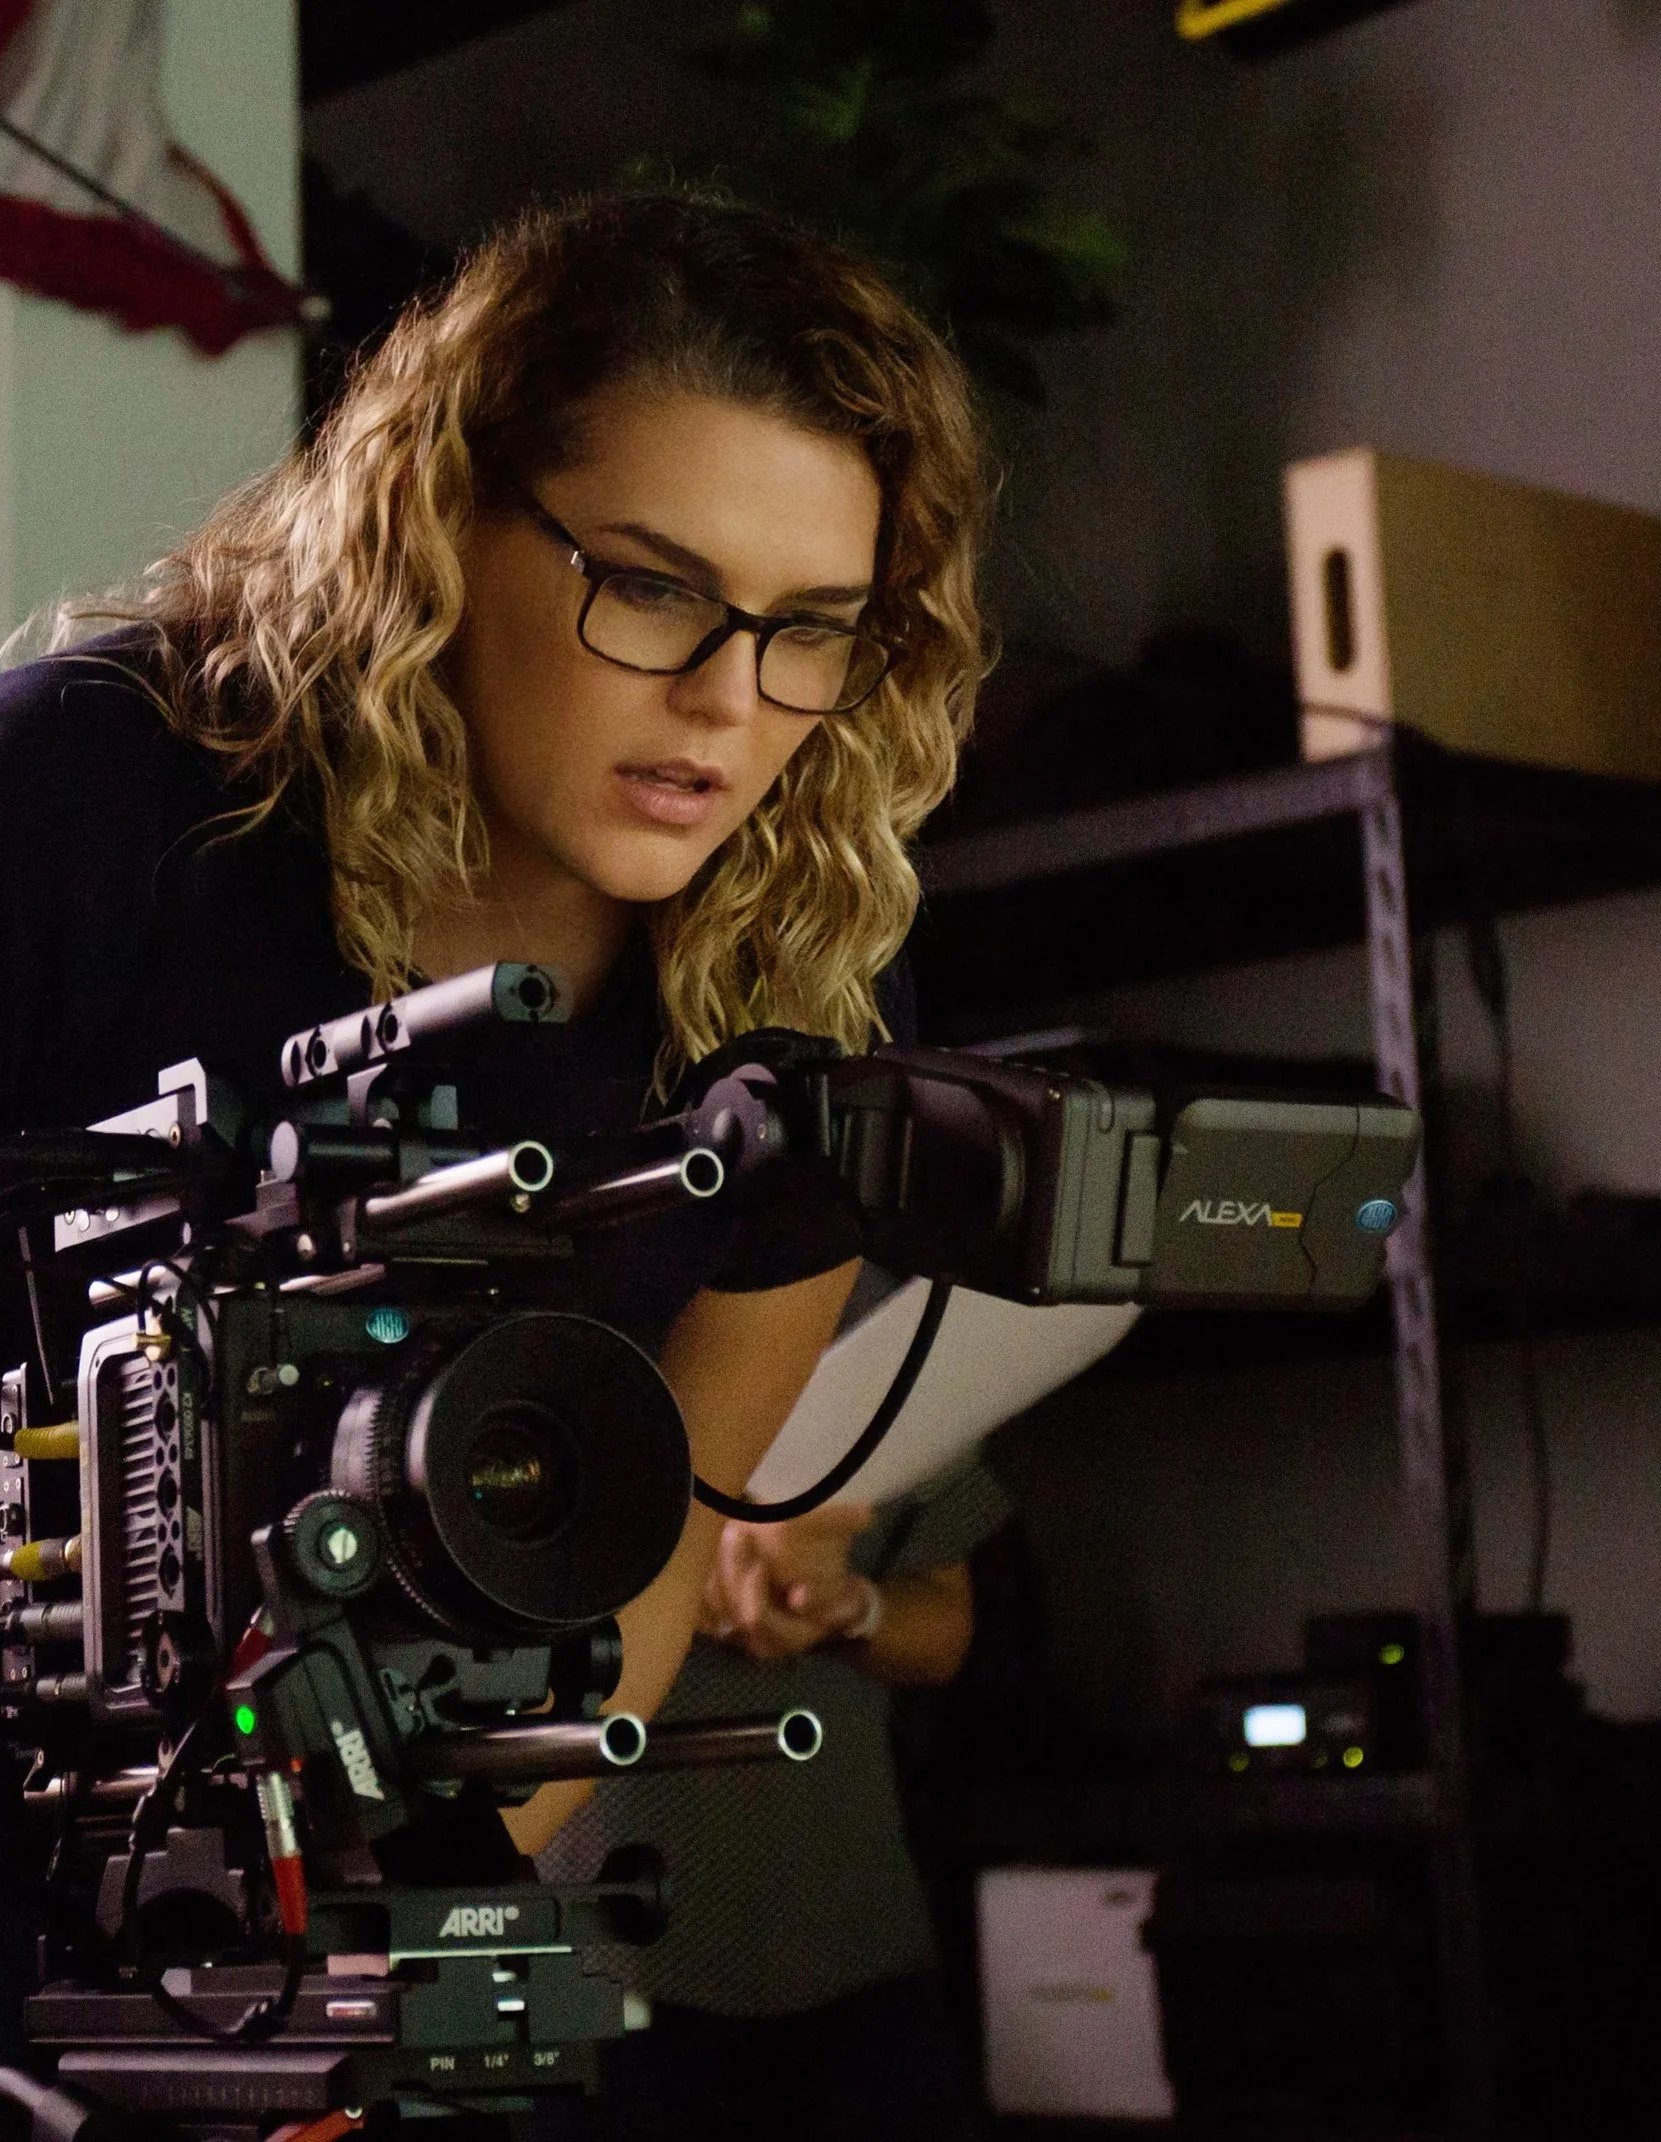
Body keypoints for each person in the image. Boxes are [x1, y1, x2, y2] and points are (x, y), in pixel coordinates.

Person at [0, 190, 987, 1852]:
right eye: (655, 587)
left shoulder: (808, 986)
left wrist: (392, 1938)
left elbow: (650, 1549)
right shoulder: (71, 800)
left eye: (811, 629)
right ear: (437, 517)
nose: (727, 701)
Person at [534, 1393, 1011, 2142]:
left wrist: (848, 1608)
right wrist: (672, 1571)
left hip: (855, 1948)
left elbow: (945, 1632)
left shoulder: (895, 1360)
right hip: (594, 1971)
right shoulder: (548, 1353)